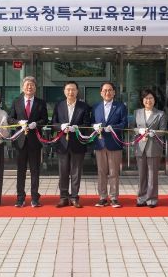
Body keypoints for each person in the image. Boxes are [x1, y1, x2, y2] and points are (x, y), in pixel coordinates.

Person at [8, 76, 48, 208]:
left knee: (35, 171)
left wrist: (36, 124)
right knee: (21, 171)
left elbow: (45, 120)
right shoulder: (16, 101)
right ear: (22, 87)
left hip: (34, 142)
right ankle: (20, 198)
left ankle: (35, 198)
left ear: (35, 88)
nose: (29, 87)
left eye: (32, 85)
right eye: (27, 85)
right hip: (20, 142)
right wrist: (18, 122)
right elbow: (10, 119)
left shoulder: (41, 103)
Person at [51, 81, 91, 209]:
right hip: (62, 144)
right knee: (63, 172)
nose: (71, 92)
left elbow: (87, 124)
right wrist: (60, 126)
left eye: (73, 89)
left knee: (76, 172)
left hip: (78, 144)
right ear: (64, 91)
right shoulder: (59, 105)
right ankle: (63, 198)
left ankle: (74, 197)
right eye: (68, 89)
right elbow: (53, 123)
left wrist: (76, 128)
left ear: (77, 91)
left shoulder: (84, 106)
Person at [92, 82, 128, 208]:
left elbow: (124, 123)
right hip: (100, 143)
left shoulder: (120, 106)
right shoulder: (95, 107)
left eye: (110, 90)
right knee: (101, 172)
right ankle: (102, 197)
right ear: (101, 93)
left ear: (114, 92)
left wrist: (113, 128)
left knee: (114, 172)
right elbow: (91, 122)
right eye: (105, 90)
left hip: (114, 143)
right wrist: (94, 126)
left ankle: (114, 198)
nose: (107, 92)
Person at [133, 89, 167, 208]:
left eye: (151, 98)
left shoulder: (160, 114)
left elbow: (163, 131)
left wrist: (154, 132)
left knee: (152, 175)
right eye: (146, 98)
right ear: (142, 100)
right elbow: (132, 128)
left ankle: (152, 199)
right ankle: (141, 198)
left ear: (154, 100)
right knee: (141, 174)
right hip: (140, 147)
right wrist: (139, 130)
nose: (148, 100)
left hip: (153, 146)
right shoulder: (137, 112)